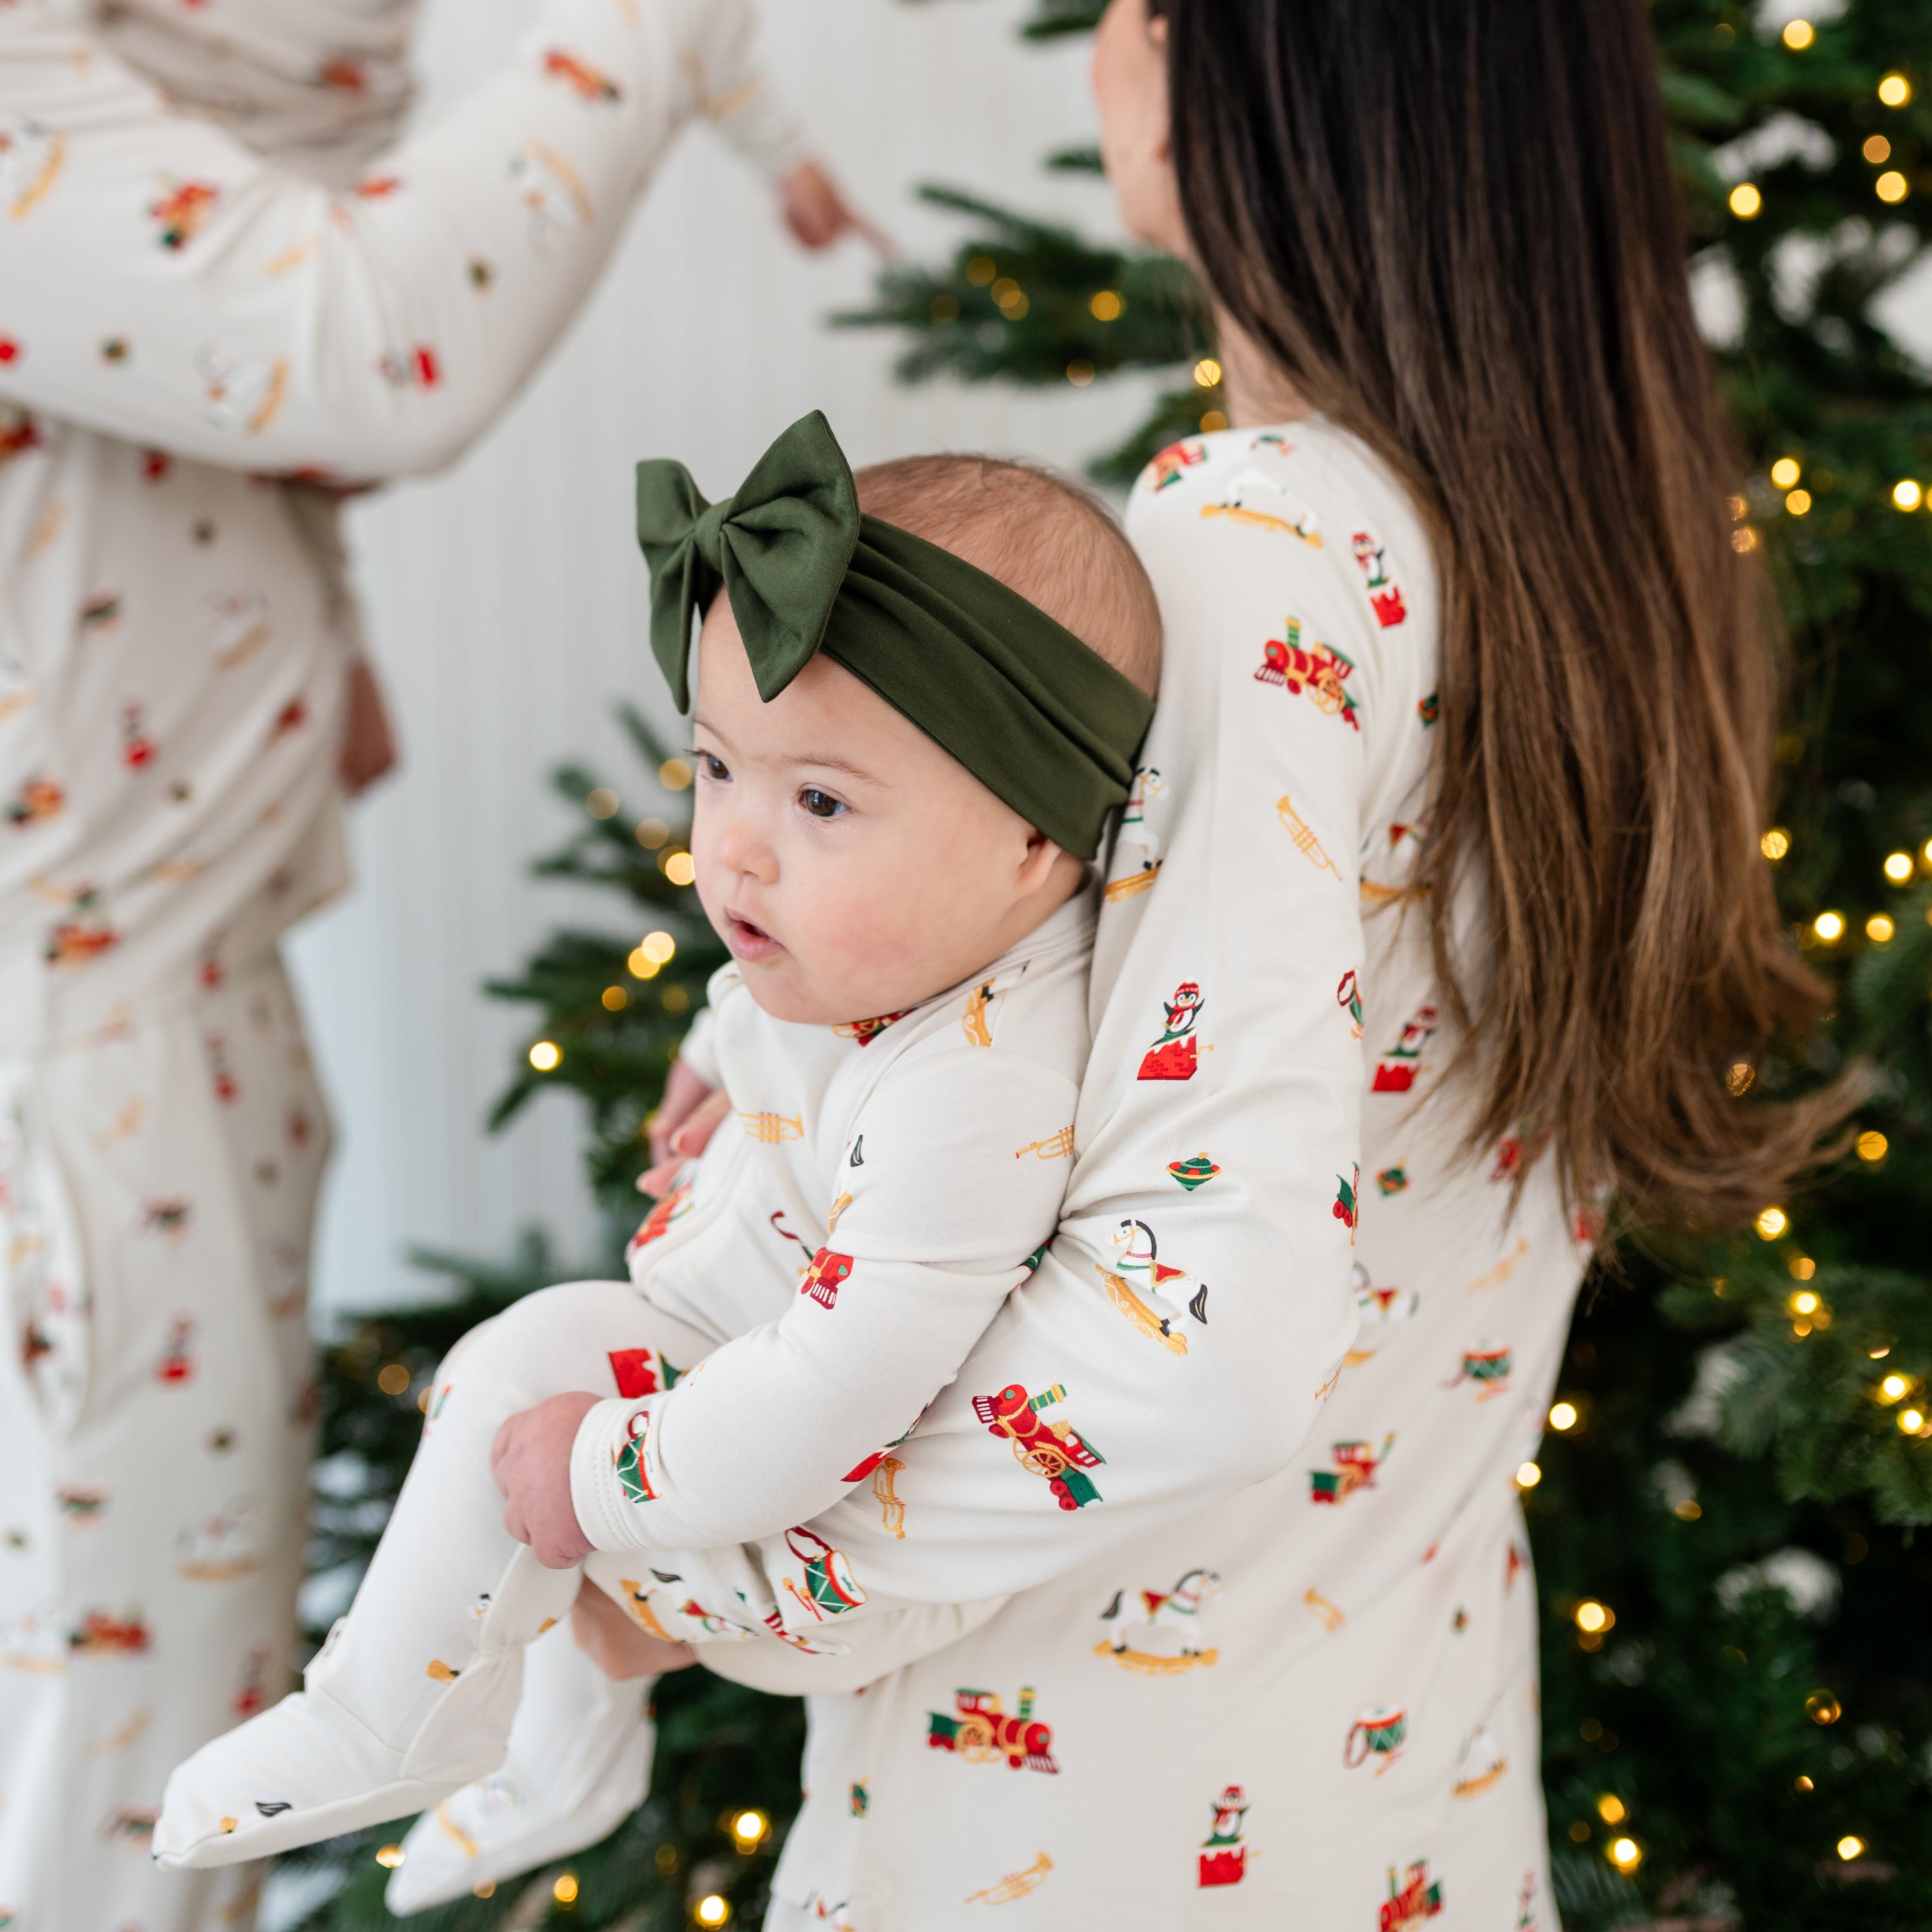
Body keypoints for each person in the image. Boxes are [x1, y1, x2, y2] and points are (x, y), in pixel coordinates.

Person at [551, 2, 1850, 1926]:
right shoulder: (1594, 547)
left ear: (1292, 83)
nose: (1115, 41)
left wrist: (681, 1564)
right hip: (1408, 1805)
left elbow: (1196, 1351)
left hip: (1073, 1843)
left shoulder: (1258, 537)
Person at [0, 5, 863, 1928]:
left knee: (154, 1681)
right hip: (86, 1025)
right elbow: (362, 348)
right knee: (144, 1720)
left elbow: (215, 372)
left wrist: (304, 630)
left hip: (156, 991)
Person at [151, 413, 1164, 1879]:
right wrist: (714, 1043)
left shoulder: (982, 1095)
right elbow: (765, 993)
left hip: (831, 1519)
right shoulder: (893, 941)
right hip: (735, 1393)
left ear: (1032, 842)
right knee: (531, 1428)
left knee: (516, 1382)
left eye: (818, 799)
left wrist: (607, 1476)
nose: (734, 849)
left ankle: (380, 1719)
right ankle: (550, 1772)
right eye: (717, 768)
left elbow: (838, 1387)